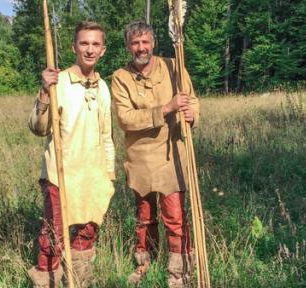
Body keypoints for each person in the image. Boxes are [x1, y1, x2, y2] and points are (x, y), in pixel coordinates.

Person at [111, 21, 200, 288]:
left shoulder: (174, 66)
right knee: (145, 216)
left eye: (145, 42)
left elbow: (192, 100)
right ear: (129, 46)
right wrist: (167, 108)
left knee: (175, 217)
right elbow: (126, 119)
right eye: (135, 43)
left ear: (153, 43)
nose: (141, 48)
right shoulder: (120, 77)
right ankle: (144, 264)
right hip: (140, 158)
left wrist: (191, 114)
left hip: (172, 154)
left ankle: (178, 273)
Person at [27, 21, 115, 288]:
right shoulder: (58, 82)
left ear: (103, 50)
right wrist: (44, 92)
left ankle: (79, 282)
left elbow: (106, 136)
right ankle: (47, 282)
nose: (89, 49)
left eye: (95, 44)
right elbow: (38, 128)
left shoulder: (102, 88)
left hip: (92, 175)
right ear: (74, 47)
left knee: (87, 231)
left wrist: (109, 174)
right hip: (60, 174)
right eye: (84, 43)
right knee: (53, 235)